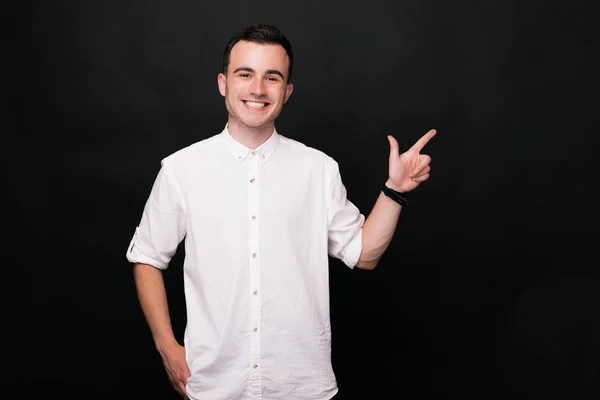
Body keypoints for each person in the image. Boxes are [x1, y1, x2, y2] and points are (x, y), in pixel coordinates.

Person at [126, 23, 436, 400]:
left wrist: (395, 191)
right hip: (215, 387)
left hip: (302, 388)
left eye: (272, 78)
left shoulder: (318, 169)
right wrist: (166, 346)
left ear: (286, 92)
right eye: (246, 74)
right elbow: (146, 258)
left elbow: (364, 254)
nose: (258, 89)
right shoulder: (181, 170)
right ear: (223, 83)